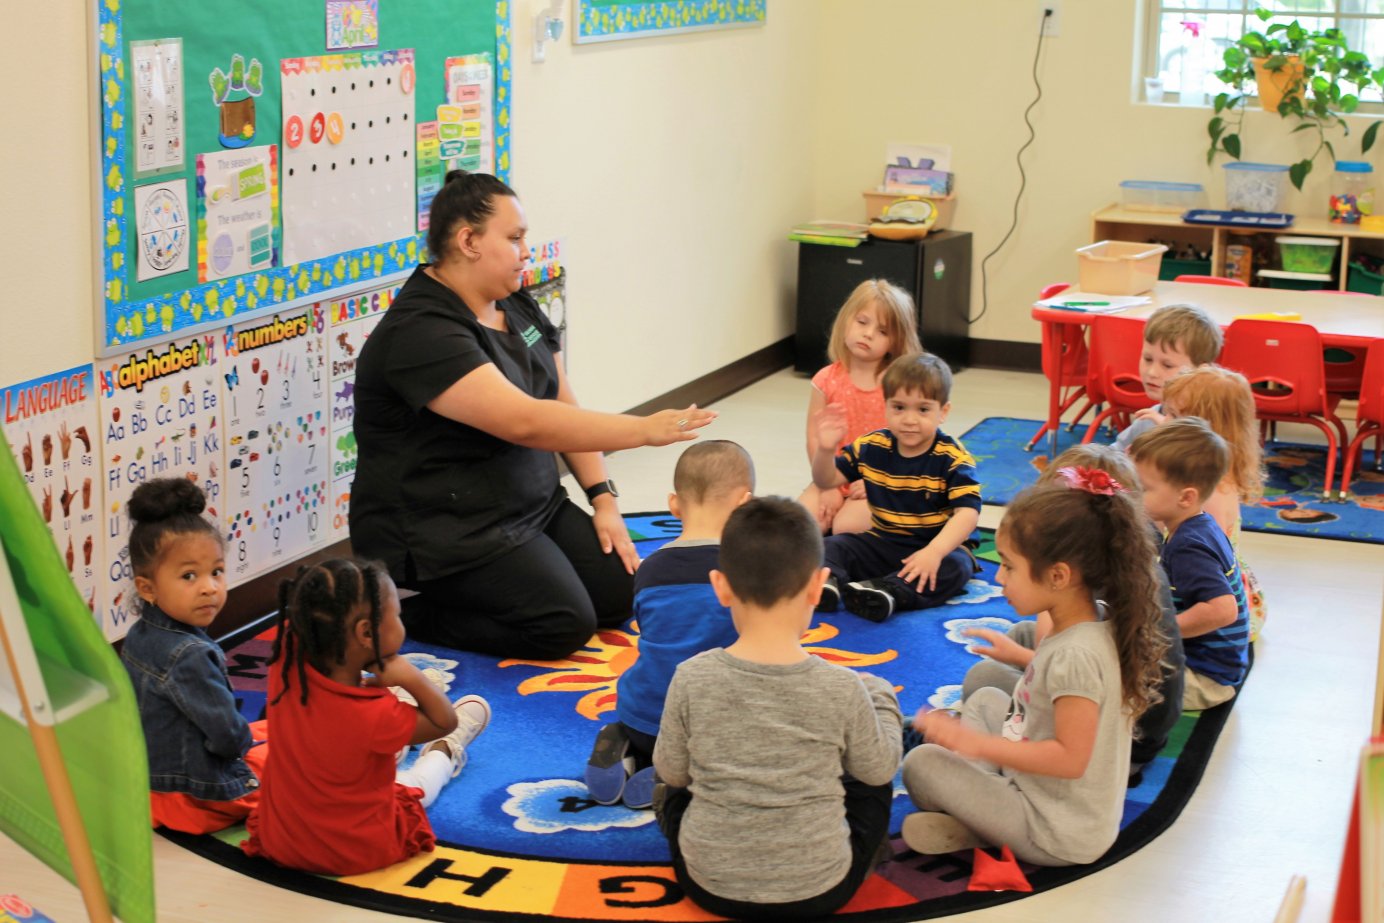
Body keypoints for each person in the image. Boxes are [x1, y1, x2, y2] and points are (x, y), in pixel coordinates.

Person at [351, 170, 716, 661]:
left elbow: (562, 401)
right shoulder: (422, 332)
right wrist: (643, 431)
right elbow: (525, 421)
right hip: (449, 531)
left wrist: (603, 499)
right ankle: (401, 610)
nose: (527, 250)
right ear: (468, 241)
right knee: (562, 625)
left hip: (531, 505)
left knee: (619, 594)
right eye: (515, 238)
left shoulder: (513, 302)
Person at [900, 470, 1169, 865]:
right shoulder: (1093, 620)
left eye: (1009, 566)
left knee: (922, 764)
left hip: (1054, 830)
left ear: (1059, 576)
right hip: (1044, 796)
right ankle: (981, 813)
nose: (997, 577)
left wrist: (976, 745)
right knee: (990, 699)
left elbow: (1070, 759)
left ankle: (980, 821)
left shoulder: (1075, 655)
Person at [653, 497, 901, 920]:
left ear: (721, 585)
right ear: (816, 585)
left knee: (671, 790)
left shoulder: (691, 677)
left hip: (709, 886)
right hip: (821, 889)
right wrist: (881, 698)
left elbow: (673, 773)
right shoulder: (842, 687)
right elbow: (878, 770)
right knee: (871, 776)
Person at [243, 559, 491, 876]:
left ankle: (400, 733)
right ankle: (444, 752)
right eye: (397, 616)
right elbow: (445, 720)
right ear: (365, 633)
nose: (402, 623)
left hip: (283, 840)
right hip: (354, 850)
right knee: (416, 787)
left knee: (365, 743)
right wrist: (412, 678)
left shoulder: (287, 666)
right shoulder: (375, 715)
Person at [959, 444, 1185, 784]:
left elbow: (1061, 660)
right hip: (1144, 723)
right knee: (1017, 635)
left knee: (984, 679)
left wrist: (1020, 654)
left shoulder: (1085, 585)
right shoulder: (1129, 562)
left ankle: (989, 767)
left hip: (1114, 743)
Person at [585, 440, 754, 809]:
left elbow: (651, 627)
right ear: (745, 503)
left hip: (641, 714)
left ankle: (623, 741)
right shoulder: (747, 570)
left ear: (674, 504)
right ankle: (674, 775)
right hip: (706, 729)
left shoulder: (650, 568)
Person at [119, 477, 266, 834]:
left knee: (275, 730)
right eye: (189, 576)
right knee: (305, 754)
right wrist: (245, 745)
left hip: (151, 781)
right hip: (195, 797)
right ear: (147, 588)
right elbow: (229, 738)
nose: (209, 587)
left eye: (216, 572)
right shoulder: (190, 655)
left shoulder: (140, 633)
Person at [811, 352, 981, 622]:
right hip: (883, 541)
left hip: (935, 545)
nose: (909, 419)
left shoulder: (953, 459)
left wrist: (933, 552)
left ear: (943, 412)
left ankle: (889, 591)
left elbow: (968, 515)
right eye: (899, 407)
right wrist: (825, 448)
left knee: (958, 566)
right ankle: (826, 583)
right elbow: (825, 480)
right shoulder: (871, 446)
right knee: (831, 545)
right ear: (886, 405)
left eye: (923, 409)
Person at [1128, 418, 1250, 711]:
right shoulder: (1194, 526)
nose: (1132, 494)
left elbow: (1223, 609)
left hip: (1204, 677)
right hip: (1204, 665)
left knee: (1110, 681)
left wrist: (1160, 633)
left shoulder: (1188, 545)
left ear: (1186, 497)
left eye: (1142, 488)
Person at [797, 279, 922, 535]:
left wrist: (878, 481)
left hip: (883, 480)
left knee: (847, 526)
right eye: (862, 322)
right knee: (801, 524)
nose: (868, 334)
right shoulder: (825, 379)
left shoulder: (897, 385)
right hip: (831, 475)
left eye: (883, 331)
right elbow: (814, 438)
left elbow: (911, 443)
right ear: (846, 321)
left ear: (896, 342)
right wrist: (827, 486)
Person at [1162, 366, 1268, 641]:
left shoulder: (1210, 498)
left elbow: (1202, 562)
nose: (1162, 422)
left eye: (1173, 416)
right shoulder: (1210, 474)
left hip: (1219, 608)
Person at [1114, 304, 1223, 451]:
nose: (1152, 372)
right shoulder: (1153, 415)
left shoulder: (1208, 431)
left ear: (1200, 372)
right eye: (1148, 359)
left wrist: (1171, 432)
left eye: (1167, 365)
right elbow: (1116, 451)